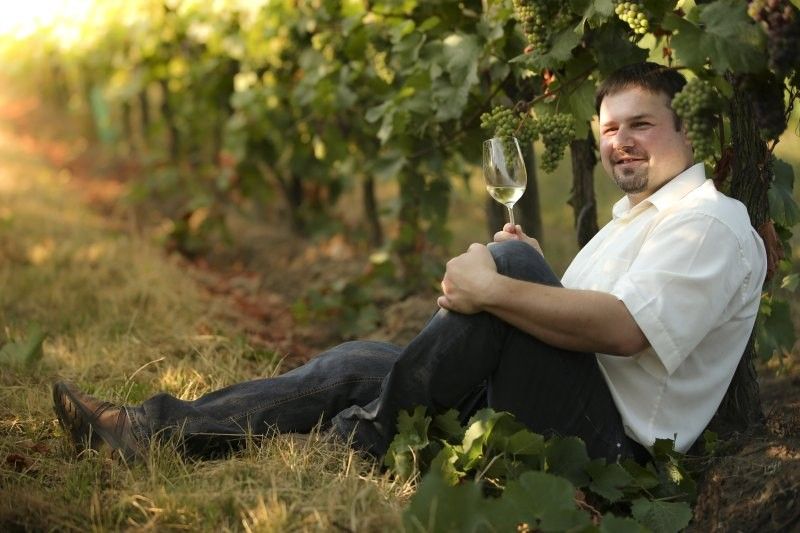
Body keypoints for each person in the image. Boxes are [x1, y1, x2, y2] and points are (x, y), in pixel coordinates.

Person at [52, 62, 766, 465]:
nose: (620, 143)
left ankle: (358, 437)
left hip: (613, 443)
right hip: (574, 399)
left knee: (503, 272)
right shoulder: (636, 221)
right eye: (609, 129)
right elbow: (583, 314)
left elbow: (621, 332)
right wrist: (530, 271)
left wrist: (500, 279)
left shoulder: (709, 223)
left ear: (686, 129)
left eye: (641, 124)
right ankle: (148, 426)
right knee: (354, 361)